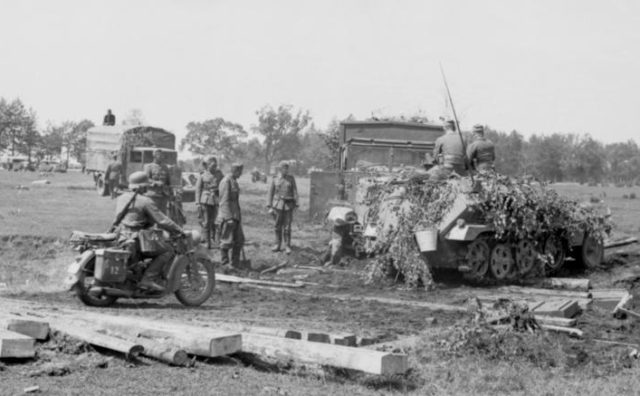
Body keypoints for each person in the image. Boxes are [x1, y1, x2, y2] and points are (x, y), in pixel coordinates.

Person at [115, 171, 184, 292]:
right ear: (141, 186)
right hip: (136, 238)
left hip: (121, 236)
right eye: (146, 185)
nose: (148, 187)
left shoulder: (121, 198)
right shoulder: (145, 201)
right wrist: (178, 230)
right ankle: (148, 279)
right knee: (167, 251)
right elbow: (162, 220)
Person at [216, 163, 245, 268]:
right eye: (240, 172)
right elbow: (224, 201)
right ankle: (225, 264)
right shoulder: (226, 181)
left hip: (235, 216)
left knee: (239, 240)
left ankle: (235, 264)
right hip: (227, 217)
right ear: (235, 171)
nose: (241, 174)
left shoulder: (234, 181)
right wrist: (228, 218)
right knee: (226, 241)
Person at [266, 161, 298, 254]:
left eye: (287, 168)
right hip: (278, 205)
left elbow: (295, 191)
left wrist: (296, 204)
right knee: (277, 226)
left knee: (287, 227)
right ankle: (277, 245)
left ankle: (287, 246)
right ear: (280, 169)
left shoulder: (291, 179)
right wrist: (269, 206)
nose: (286, 170)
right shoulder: (275, 179)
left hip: (288, 205)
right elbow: (270, 193)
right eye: (284, 168)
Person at [195, 156, 225, 248]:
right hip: (206, 200)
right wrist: (197, 203)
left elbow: (224, 184)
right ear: (207, 166)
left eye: (215, 166)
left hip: (216, 200)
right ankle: (207, 243)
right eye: (212, 165)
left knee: (217, 221)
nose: (214, 167)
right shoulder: (202, 175)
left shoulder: (219, 174)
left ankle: (216, 240)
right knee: (207, 222)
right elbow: (198, 189)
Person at [144, 149, 172, 214]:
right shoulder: (148, 166)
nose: (162, 156)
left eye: (162, 155)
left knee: (163, 215)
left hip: (163, 195)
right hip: (153, 194)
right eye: (159, 155)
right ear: (154, 156)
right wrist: (155, 183)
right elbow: (146, 179)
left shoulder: (165, 167)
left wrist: (170, 192)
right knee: (153, 214)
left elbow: (168, 181)